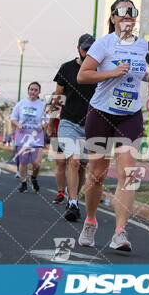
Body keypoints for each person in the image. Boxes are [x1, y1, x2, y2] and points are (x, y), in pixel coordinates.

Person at [76, 0, 149, 251]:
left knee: (129, 173)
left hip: (130, 114)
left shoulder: (142, 44)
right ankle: (90, 221)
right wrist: (111, 73)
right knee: (98, 175)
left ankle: (120, 232)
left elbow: (138, 70)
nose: (128, 16)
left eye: (132, 11)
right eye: (122, 12)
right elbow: (83, 75)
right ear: (113, 17)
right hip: (101, 112)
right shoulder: (104, 44)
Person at [48, 33, 97, 222]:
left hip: (91, 125)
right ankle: (73, 202)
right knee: (74, 161)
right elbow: (58, 98)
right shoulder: (67, 68)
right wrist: (52, 123)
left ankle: (74, 197)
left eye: (91, 49)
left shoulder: (99, 70)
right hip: (68, 122)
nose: (88, 52)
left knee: (83, 165)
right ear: (78, 49)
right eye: (85, 49)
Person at [10, 82, 47, 193]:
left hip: (36, 136)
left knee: (37, 163)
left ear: (39, 92)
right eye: (31, 89)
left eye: (35, 90)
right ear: (28, 90)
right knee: (23, 161)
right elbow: (13, 118)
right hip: (22, 135)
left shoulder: (42, 105)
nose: (33, 92)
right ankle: (23, 183)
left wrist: (43, 126)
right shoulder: (21, 103)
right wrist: (18, 125)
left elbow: (48, 120)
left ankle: (33, 178)